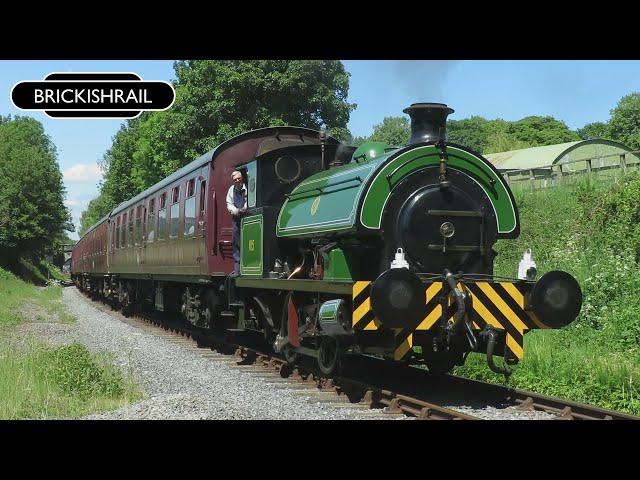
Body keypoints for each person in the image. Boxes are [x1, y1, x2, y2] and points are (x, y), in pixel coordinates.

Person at [226, 170, 247, 274]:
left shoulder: (246, 188)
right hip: (236, 217)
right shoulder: (231, 190)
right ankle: (237, 266)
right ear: (233, 181)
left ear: (242, 178)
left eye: (239, 178)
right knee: (235, 241)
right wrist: (236, 211)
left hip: (247, 216)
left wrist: (245, 209)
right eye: (235, 179)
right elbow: (229, 203)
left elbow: (249, 200)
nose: (237, 180)